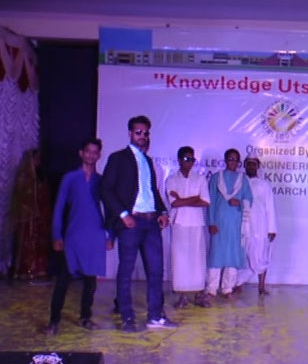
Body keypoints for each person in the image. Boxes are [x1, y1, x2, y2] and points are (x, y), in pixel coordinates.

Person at [100, 115, 174, 331]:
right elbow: (106, 189)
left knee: (156, 270)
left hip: (151, 223)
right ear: (130, 133)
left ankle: (155, 316)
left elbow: (152, 191)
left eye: (146, 133)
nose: (142, 136)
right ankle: (127, 318)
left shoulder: (148, 161)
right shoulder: (118, 158)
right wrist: (123, 214)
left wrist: (162, 211)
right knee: (126, 270)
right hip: (131, 223)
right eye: (138, 132)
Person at [47, 138, 113, 335]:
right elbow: (59, 207)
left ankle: (85, 317)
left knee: (90, 281)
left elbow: (109, 209)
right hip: (74, 234)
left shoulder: (101, 180)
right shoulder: (70, 178)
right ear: (81, 153)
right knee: (63, 279)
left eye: (95, 152)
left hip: (95, 234)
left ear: (99, 155)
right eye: (88, 151)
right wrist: (57, 234)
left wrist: (111, 235)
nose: (91, 155)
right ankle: (54, 321)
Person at [165, 146, 211, 308]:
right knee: (180, 260)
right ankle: (182, 295)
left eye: (192, 159)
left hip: (196, 223)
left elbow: (205, 201)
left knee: (197, 260)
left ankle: (199, 294)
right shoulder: (172, 180)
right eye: (186, 159)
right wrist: (194, 198)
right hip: (179, 223)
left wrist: (182, 199)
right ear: (179, 160)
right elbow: (174, 203)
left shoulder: (200, 179)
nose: (189, 162)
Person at [206, 148, 253, 299]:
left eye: (236, 160)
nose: (233, 162)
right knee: (216, 256)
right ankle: (211, 289)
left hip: (236, 224)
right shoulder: (216, 178)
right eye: (230, 159)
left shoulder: (243, 180)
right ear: (225, 160)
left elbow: (249, 200)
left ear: (239, 162)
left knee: (233, 256)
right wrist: (211, 222)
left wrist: (239, 202)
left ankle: (227, 289)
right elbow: (210, 201)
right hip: (219, 223)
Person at [236, 155, 277, 295]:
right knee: (242, 257)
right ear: (245, 166)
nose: (251, 166)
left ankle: (261, 286)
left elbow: (270, 207)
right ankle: (238, 283)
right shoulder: (239, 182)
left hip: (260, 226)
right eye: (249, 164)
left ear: (258, 166)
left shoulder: (264, 185)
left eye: (254, 164)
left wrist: (272, 228)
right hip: (242, 226)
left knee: (261, 256)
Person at [11, 148, 51, 281]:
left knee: (40, 243)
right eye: (35, 159)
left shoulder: (40, 176)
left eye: (39, 159)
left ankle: (38, 270)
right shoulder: (23, 177)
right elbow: (19, 198)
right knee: (27, 245)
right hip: (27, 218)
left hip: (40, 216)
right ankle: (26, 271)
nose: (37, 162)